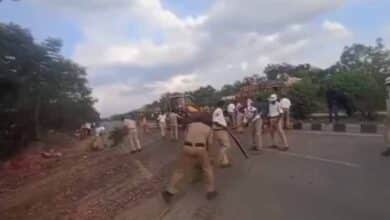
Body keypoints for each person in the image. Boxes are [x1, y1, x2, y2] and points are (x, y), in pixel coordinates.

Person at [162, 112, 217, 203]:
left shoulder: (190, 125)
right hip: (201, 148)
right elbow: (210, 144)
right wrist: (209, 155)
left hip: (187, 147)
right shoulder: (208, 128)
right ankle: (210, 191)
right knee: (207, 169)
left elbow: (185, 137)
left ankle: (169, 191)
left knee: (180, 170)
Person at [213, 101, 232, 167]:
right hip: (220, 130)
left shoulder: (217, 110)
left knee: (222, 146)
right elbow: (215, 121)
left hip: (219, 130)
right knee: (226, 146)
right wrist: (223, 126)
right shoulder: (219, 110)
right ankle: (219, 159)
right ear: (222, 105)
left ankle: (225, 162)